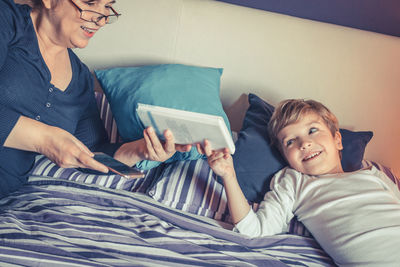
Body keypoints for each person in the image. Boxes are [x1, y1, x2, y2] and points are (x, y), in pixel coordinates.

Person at [0, 0, 191, 198]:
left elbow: (92, 151)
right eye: (90, 2)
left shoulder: (80, 77)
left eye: (107, 6)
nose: (101, 18)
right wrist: (44, 139)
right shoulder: (6, 19)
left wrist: (141, 149)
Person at [199, 99, 400, 266]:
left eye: (313, 130)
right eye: (290, 141)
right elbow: (255, 231)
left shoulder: (374, 174)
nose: (304, 143)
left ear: (337, 140)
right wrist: (228, 176)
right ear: (285, 157)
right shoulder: (294, 182)